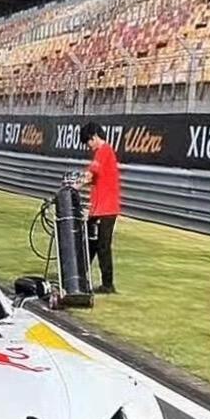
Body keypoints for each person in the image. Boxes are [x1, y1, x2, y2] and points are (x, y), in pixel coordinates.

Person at [80, 122, 121, 294]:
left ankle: (107, 285)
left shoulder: (104, 151)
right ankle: (80, 277)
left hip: (107, 208)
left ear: (94, 137)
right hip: (98, 208)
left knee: (102, 245)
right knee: (90, 243)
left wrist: (75, 185)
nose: (88, 146)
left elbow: (90, 175)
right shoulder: (102, 152)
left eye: (88, 142)